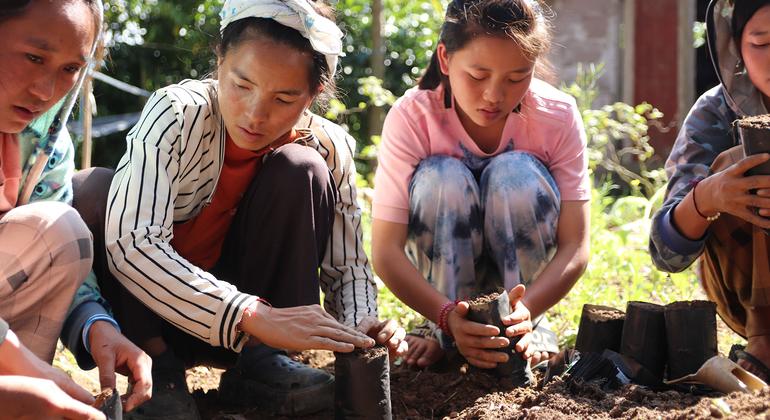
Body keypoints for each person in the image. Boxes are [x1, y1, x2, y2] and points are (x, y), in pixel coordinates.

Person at [78, 0, 406, 418]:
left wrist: (363, 327)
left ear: (314, 93)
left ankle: (261, 364)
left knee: (302, 167)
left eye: (284, 98)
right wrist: (246, 312)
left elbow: (347, 267)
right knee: (94, 189)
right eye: (241, 85)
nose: (255, 113)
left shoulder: (326, 145)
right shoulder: (176, 113)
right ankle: (158, 369)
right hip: (152, 317)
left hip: (254, 330)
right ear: (219, 61)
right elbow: (133, 244)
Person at [371, 0, 591, 372]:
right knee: (442, 178)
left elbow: (576, 244)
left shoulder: (557, 115)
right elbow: (386, 250)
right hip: (444, 296)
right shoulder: (413, 116)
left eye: (517, 77)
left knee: (513, 174)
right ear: (445, 59)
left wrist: (528, 308)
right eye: (477, 75)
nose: (494, 95)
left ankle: (526, 331)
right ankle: (443, 333)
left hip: (522, 292)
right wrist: (444, 316)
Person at [0, 1, 152, 419]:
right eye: (34, 57)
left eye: (70, 69)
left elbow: (52, 255)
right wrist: (28, 370)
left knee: (61, 231)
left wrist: (95, 326)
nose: (45, 91)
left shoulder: (44, 141)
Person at [650, 0, 770, 382]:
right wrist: (708, 198)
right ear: (736, 47)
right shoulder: (714, 114)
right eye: (763, 42)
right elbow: (665, 253)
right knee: (741, 159)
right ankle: (765, 338)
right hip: (748, 294)